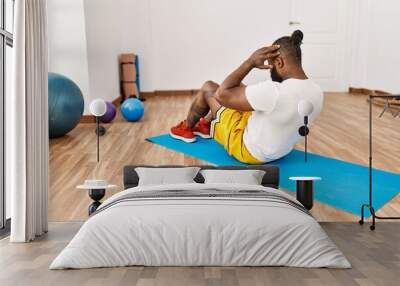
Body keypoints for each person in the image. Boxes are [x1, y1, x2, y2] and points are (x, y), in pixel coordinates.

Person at [170, 30, 323, 164]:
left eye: (270, 65)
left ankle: (186, 129)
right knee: (241, 90)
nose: (270, 71)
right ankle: (206, 125)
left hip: (248, 150)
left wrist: (250, 62)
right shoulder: (317, 92)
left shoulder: (274, 91)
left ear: (279, 62)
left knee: (209, 88)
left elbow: (221, 94)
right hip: (280, 151)